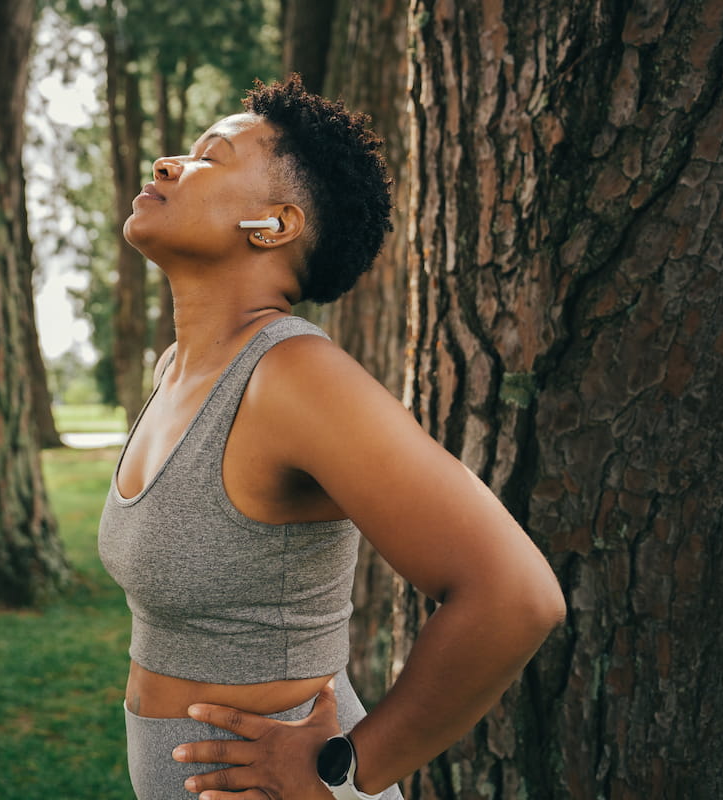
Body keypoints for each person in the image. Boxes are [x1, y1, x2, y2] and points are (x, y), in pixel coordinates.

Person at [97, 75, 566, 800]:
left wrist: (343, 770)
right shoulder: (177, 370)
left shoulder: (294, 376)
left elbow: (516, 596)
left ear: (274, 225)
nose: (165, 165)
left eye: (209, 156)